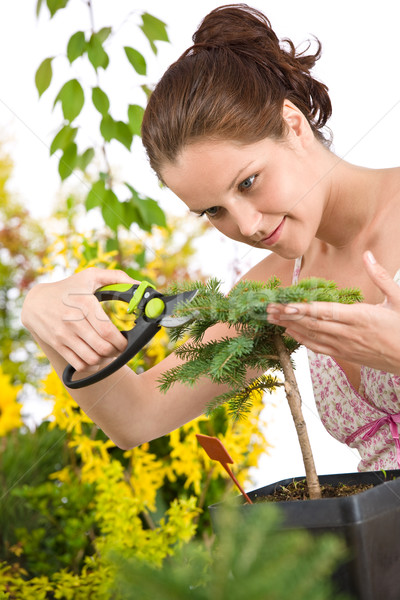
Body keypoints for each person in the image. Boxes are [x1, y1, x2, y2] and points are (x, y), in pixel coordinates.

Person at [22, 4, 400, 470]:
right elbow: (139, 418)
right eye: (214, 210)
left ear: (293, 125)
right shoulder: (281, 285)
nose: (245, 226)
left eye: (248, 182)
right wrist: (45, 315)